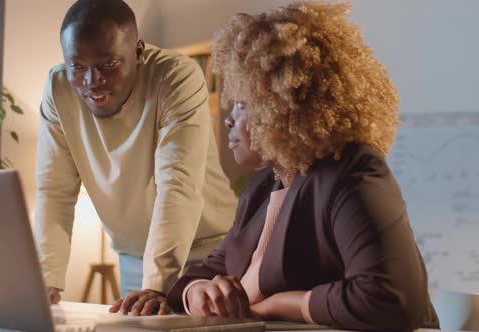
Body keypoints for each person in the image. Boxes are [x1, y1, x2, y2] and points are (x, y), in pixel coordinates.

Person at [164, 2, 440, 331]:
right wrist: (200, 292)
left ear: (282, 107)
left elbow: (390, 299)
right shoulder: (265, 185)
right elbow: (209, 269)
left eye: (242, 105)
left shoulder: (351, 172)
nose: (228, 120)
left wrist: (277, 306)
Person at [34, 0, 237, 315]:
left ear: (139, 52)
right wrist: (45, 280)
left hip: (210, 255)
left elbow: (177, 182)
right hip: (134, 261)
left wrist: (156, 284)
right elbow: (53, 188)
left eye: (108, 64)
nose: (92, 81)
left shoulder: (176, 77)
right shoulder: (58, 88)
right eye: (77, 66)